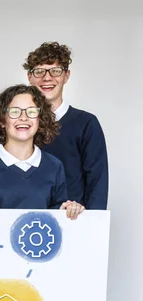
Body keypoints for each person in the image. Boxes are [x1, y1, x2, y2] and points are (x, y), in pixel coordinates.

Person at [0, 85, 84, 220]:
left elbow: (59, 218)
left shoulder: (54, 166)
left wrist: (69, 210)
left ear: (40, 120)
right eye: (15, 111)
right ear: (2, 120)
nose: (23, 117)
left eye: (31, 111)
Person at [24, 42, 108, 209]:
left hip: (72, 221)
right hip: (28, 221)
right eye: (39, 71)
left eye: (55, 71)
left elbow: (97, 182)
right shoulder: (20, 125)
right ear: (30, 77)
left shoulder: (86, 124)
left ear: (66, 76)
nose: (47, 78)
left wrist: (92, 225)